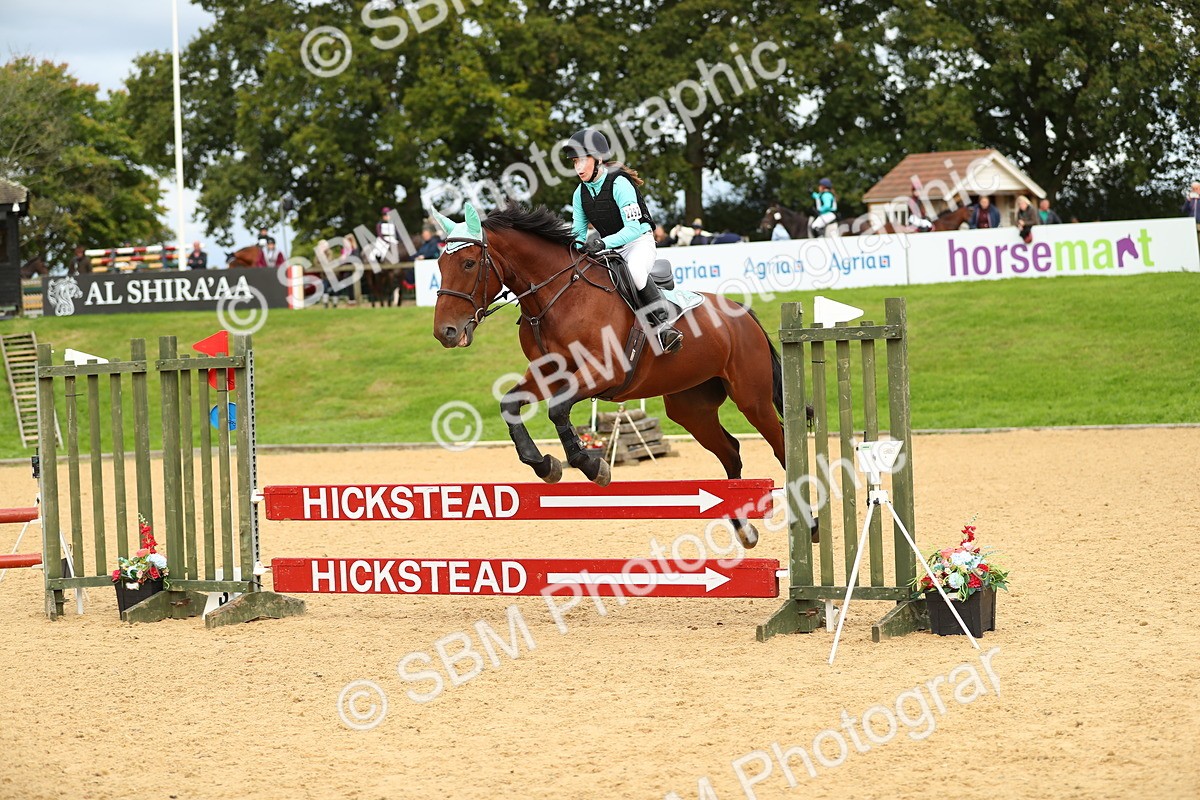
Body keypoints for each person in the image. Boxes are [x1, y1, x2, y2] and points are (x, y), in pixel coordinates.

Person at [563, 127, 682, 354]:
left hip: (638, 243)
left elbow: (633, 229)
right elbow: (578, 233)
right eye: (574, 162)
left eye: (582, 160)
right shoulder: (580, 193)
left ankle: (664, 326)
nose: (578, 167)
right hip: (609, 249)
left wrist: (602, 243)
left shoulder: (619, 183)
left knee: (635, 272)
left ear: (598, 159)